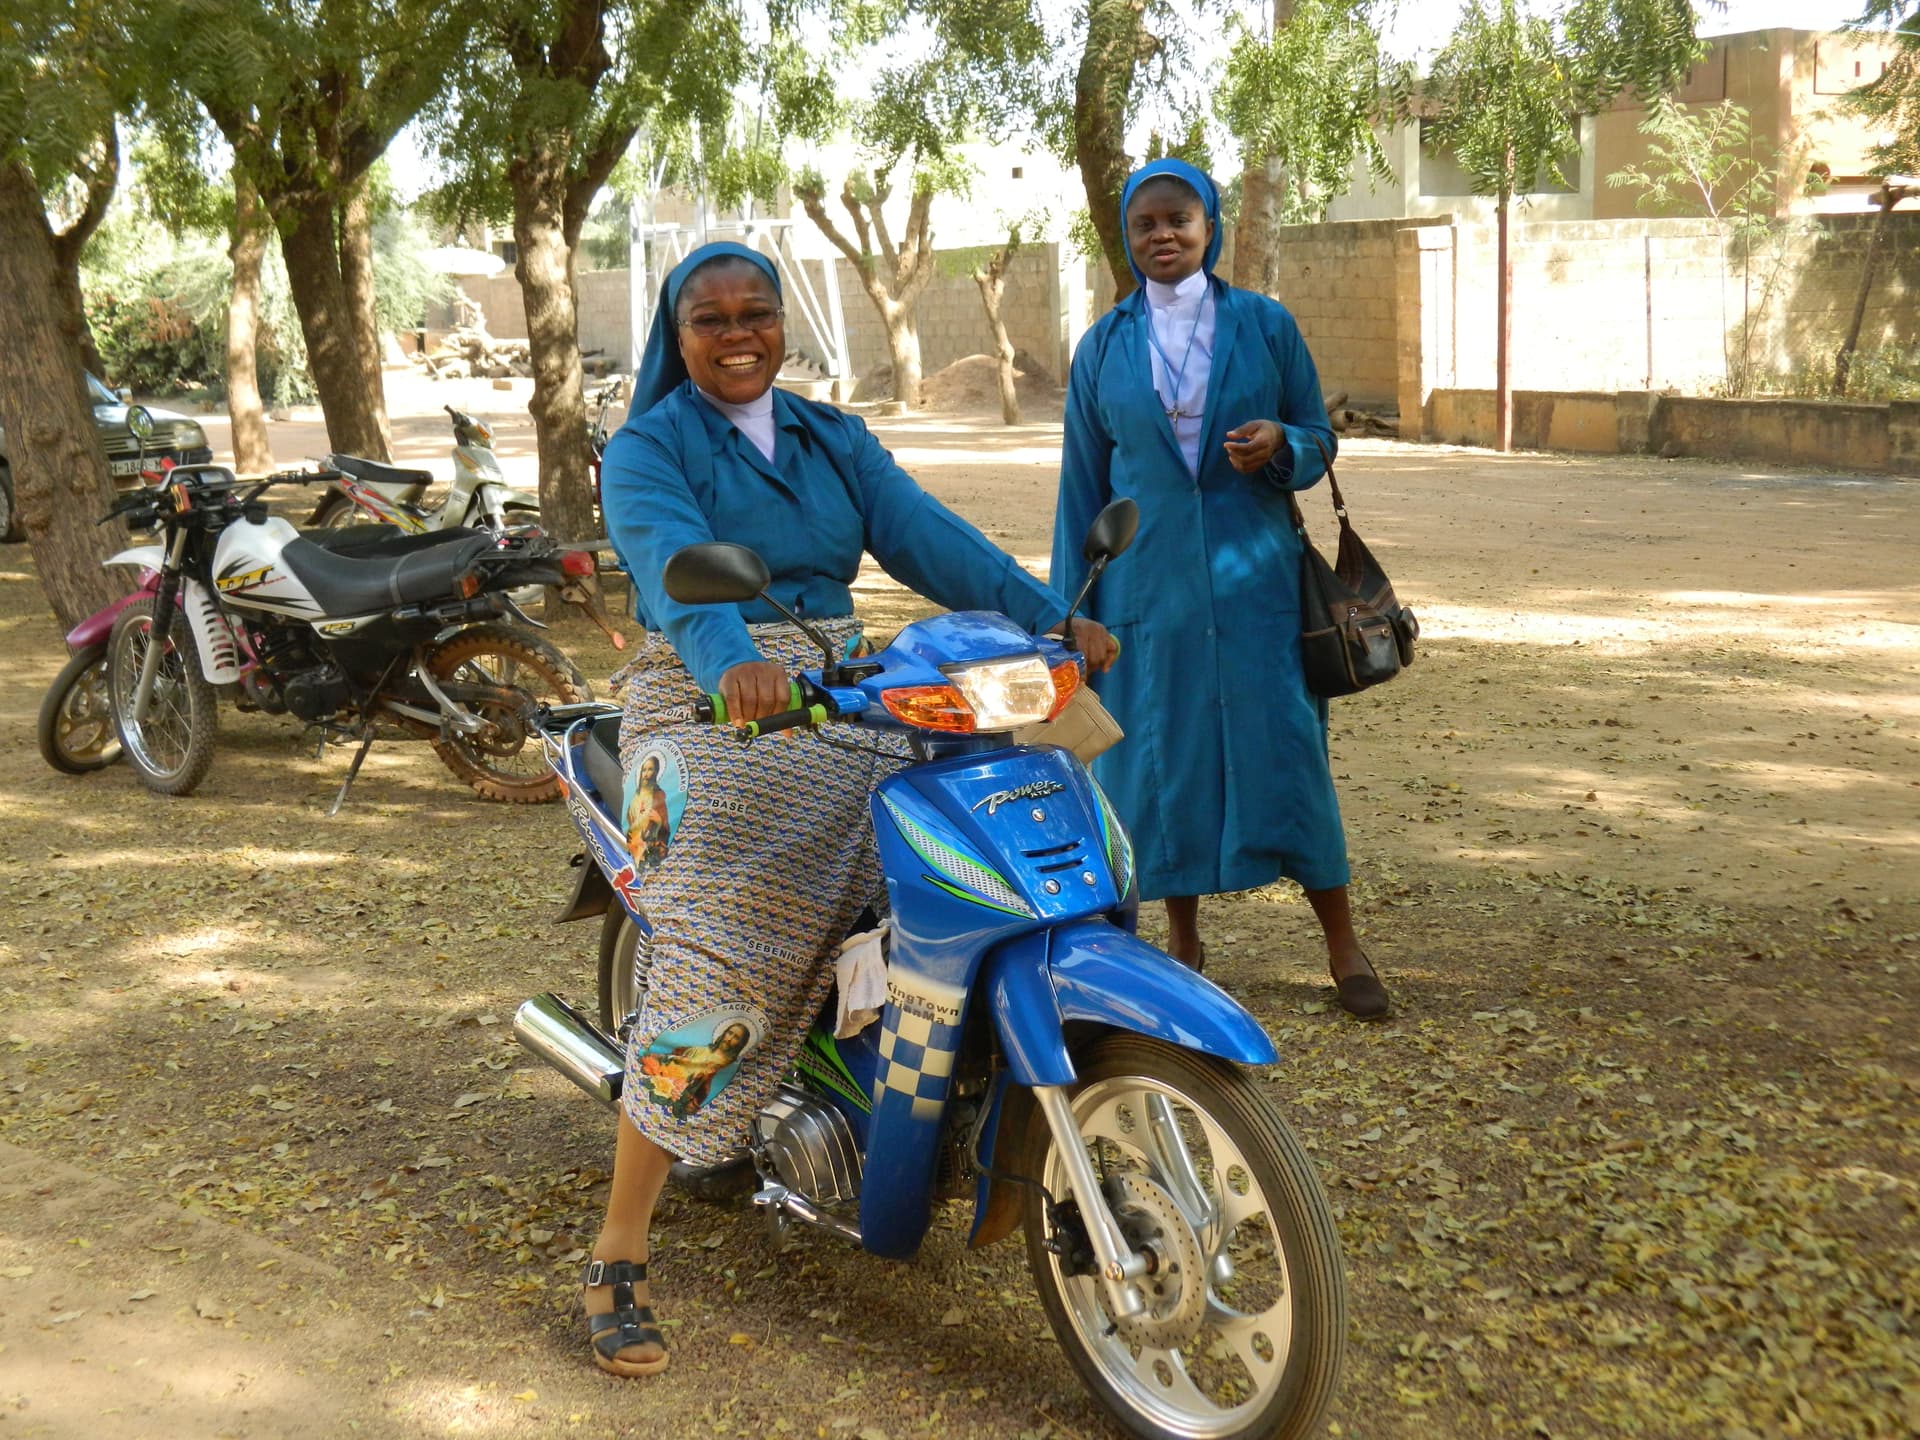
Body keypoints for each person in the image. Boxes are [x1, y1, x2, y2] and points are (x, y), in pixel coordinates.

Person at [584, 240, 1117, 1378]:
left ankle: (903, 1087)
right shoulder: (646, 448)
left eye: (756, 313)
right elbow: (672, 559)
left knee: (981, 829)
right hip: (709, 701)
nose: (738, 336)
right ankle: (621, 1244)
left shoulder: (831, 435)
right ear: (676, 340)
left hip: (845, 680)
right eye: (710, 319)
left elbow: (928, 536)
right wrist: (736, 661)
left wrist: (1048, 615)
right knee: (736, 929)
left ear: (784, 323)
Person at [1050, 158, 1390, 1022]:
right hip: (1148, 586)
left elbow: (1319, 439)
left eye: (1179, 219)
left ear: (1211, 228)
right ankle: (1185, 943)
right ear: (1127, 240)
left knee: (1291, 760)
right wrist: (1071, 610)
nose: (1162, 235)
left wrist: (1282, 443)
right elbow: (1080, 488)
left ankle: (1343, 946)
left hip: (1256, 584)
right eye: (1145, 224)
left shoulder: (1264, 327)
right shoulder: (1104, 346)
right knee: (1164, 764)